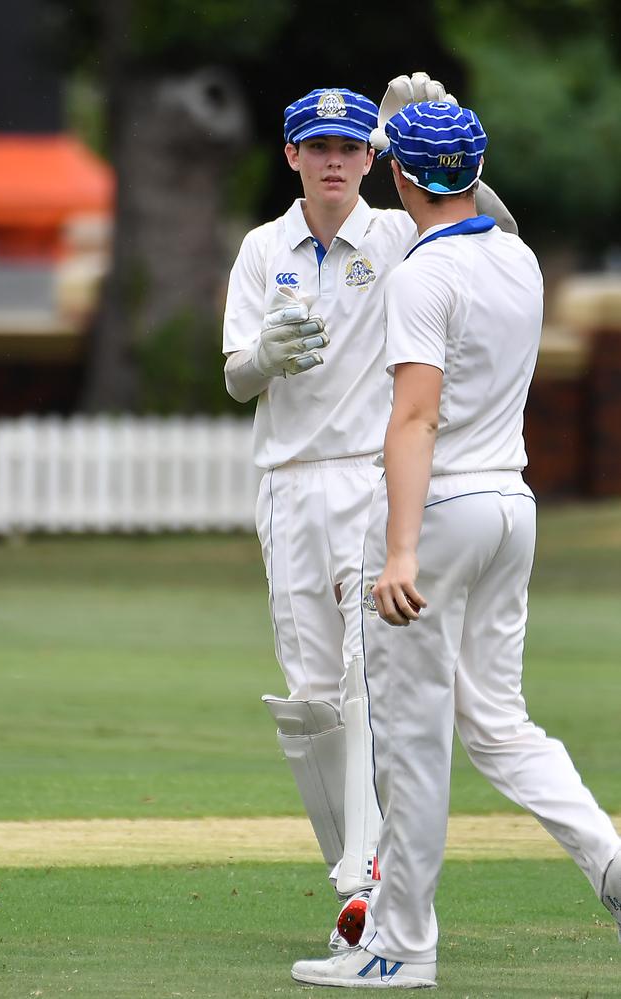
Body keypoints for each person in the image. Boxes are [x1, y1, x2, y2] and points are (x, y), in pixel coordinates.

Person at [291, 100, 621, 989]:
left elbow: (415, 415)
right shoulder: (518, 256)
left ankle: (401, 945)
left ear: (396, 176)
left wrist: (398, 552)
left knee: (411, 734)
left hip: (438, 515)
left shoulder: (420, 279)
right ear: (473, 170)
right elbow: (481, 205)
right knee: (498, 721)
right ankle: (611, 861)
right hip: (511, 509)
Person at [222, 77, 519, 949]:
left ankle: (379, 883)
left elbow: (492, 229)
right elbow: (236, 375)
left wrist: (441, 144)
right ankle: (355, 876)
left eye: (353, 148)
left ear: (373, 159)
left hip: (369, 476)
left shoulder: (396, 235)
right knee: (311, 700)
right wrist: (266, 356)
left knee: (365, 680)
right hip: (285, 482)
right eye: (319, 148)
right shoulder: (259, 248)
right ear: (293, 156)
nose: (336, 162)